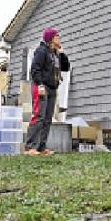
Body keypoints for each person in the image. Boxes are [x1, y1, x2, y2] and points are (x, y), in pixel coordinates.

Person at [25, 28, 71, 156]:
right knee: (38, 116)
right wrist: (39, 85)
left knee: (47, 119)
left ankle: (41, 147)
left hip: (52, 88)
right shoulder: (41, 51)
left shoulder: (55, 53)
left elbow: (66, 68)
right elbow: (35, 69)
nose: (59, 38)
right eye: (57, 36)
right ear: (50, 38)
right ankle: (30, 147)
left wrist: (62, 54)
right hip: (41, 87)